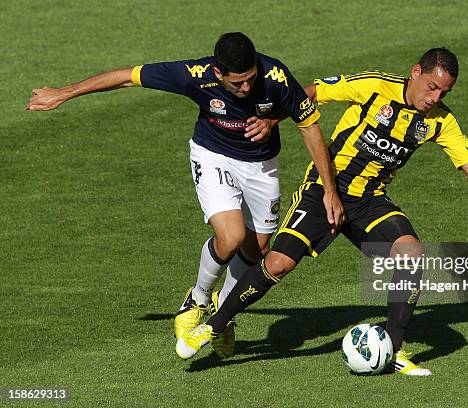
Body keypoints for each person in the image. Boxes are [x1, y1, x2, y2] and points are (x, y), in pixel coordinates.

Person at [176, 47, 468, 376]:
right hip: (325, 190)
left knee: (411, 253)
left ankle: (393, 349)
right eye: (431, 88)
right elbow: (311, 93)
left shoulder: (440, 122)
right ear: (415, 72)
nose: (435, 98)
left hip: (369, 201)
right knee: (277, 264)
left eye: (444, 93)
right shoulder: (374, 86)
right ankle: (214, 324)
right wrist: (273, 120)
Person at [26, 32, 343, 359]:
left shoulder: (276, 76)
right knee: (231, 236)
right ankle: (199, 298)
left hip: (262, 167)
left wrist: (329, 190)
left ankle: (224, 317)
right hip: (213, 155)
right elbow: (127, 77)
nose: (246, 89)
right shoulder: (195, 76)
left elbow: (310, 128)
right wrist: (64, 94)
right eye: (237, 84)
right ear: (218, 74)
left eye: (250, 80)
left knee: (258, 247)